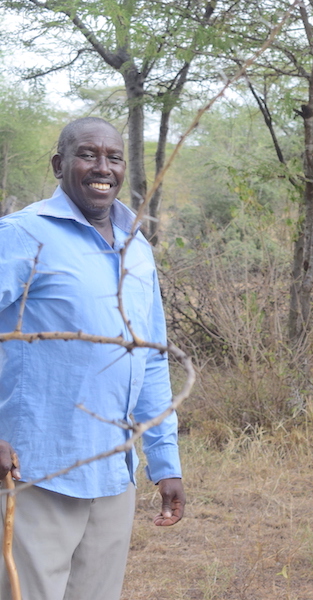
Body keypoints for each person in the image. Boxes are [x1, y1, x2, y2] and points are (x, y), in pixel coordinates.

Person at [0, 117, 185, 600]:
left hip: (112, 476)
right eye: (87, 154)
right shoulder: (21, 235)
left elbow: (149, 359)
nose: (102, 167)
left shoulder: (136, 249)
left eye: (114, 157)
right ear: (60, 165)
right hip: (35, 471)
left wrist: (165, 463)